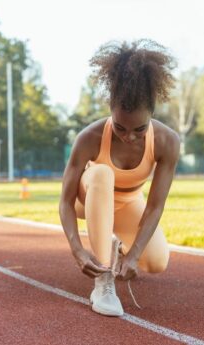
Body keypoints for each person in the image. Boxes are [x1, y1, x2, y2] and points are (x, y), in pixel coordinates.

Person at [58, 39, 180, 316]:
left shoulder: (167, 141)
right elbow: (65, 202)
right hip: (87, 197)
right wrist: (77, 250)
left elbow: (155, 206)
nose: (129, 136)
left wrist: (135, 253)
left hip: (127, 202)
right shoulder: (89, 137)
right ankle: (103, 282)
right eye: (121, 127)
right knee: (101, 173)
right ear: (111, 108)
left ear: (152, 113)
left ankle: (116, 247)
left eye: (140, 128)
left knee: (156, 262)